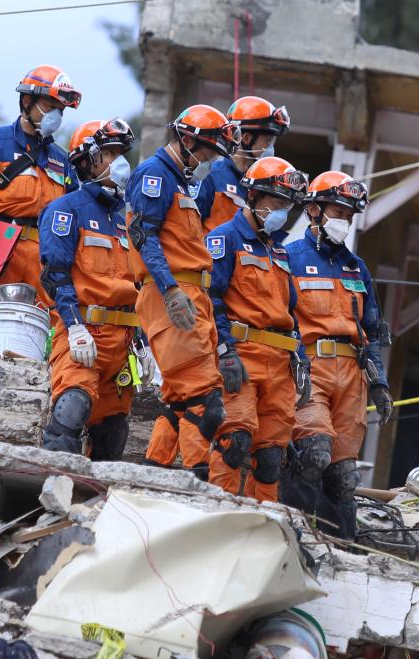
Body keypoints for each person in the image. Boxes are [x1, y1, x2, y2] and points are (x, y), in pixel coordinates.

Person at [129, 105, 241, 480]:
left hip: (194, 296)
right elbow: (144, 237)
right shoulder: (155, 175)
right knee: (206, 402)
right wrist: (171, 290)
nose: (211, 158)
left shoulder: (182, 182)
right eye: (209, 148)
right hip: (173, 296)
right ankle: (198, 483)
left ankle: (150, 474)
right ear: (189, 140)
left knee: (178, 403)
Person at [281, 171, 393, 539]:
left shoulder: (356, 268)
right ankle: (293, 536)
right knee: (313, 453)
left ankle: (341, 549)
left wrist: (379, 382)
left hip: (352, 377)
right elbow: (280, 317)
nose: (344, 221)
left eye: (349, 214)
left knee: (344, 478)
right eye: (338, 211)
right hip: (309, 369)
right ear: (313, 210)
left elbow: (372, 331)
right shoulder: (289, 257)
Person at [38, 118, 146, 458]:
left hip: (123, 341)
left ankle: (91, 507)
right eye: (109, 153)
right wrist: (73, 326)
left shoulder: (128, 221)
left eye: (120, 153)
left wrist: (144, 340)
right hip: (83, 332)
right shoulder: (65, 210)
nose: (119, 162)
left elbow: (138, 286)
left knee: (113, 429)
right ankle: (52, 490)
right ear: (86, 161)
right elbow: (55, 275)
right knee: (72, 407)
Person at [206, 156, 311, 502]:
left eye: (287, 206)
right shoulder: (224, 239)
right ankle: (213, 518)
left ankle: (261, 524)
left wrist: (301, 360)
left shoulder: (279, 252)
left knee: (270, 458)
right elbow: (211, 300)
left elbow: (291, 313)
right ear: (253, 197)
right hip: (242, 357)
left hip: (279, 364)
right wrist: (225, 352)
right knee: (233, 442)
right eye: (277, 204)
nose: (283, 212)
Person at [0, 65, 81, 328]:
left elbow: (71, 214)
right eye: (49, 104)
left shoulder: (61, 161)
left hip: (44, 261)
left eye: (61, 109)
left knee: (49, 332)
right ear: (27, 101)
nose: (56, 114)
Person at [195, 96, 290, 233]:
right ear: (246, 139)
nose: (271, 150)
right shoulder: (210, 177)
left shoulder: (263, 187)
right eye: (268, 142)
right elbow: (190, 230)